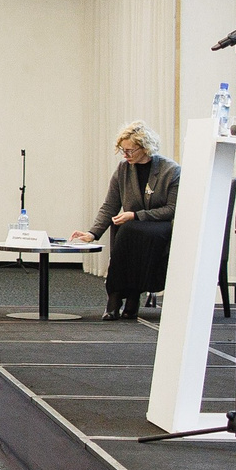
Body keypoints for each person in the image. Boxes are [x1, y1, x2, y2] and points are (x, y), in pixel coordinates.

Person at [71, 121, 180, 321]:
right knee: (124, 226)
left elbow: (172, 209)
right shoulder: (123, 169)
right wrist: (93, 233)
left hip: (160, 226)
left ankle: (119, 298)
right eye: (123, 150)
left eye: (130, 151)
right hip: (132, 227)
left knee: (128, 228)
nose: (125, 155)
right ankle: (125, 297)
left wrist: (137, 215)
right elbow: (110, 205)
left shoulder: (170, 170)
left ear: (145, 148)